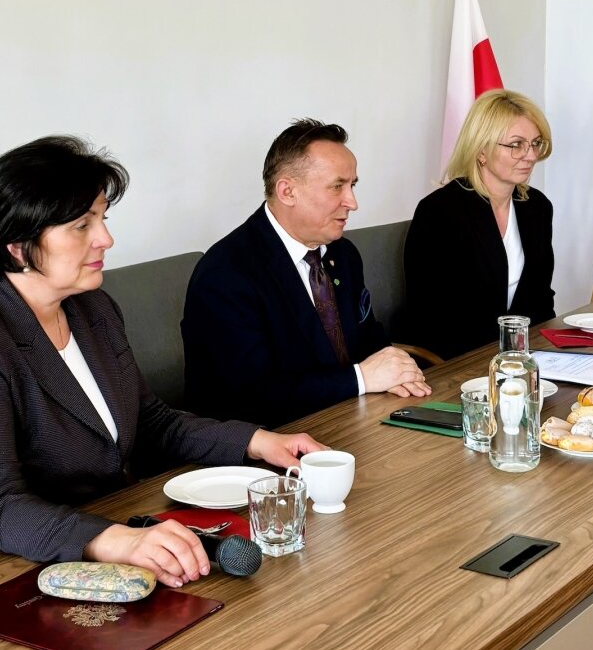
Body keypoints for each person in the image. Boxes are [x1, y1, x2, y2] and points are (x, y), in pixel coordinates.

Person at [0, 135, 324, 589]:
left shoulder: (90, 307)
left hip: (95, 531)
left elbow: (150, 422)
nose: (106, 239)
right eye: (82, 225)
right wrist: (113, 540)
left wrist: (257, 442)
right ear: (17, 245)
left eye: (102, 219)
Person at [182, 119, 430, 428]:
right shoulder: (226, 275)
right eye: (337, 186)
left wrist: (400, 372)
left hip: (351, 420)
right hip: (267, 442)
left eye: (352, 185)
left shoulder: (343, 254)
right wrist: (360, 378)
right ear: (287, 191)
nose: (352, 202)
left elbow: (369, 339)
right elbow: (250, 397)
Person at [404, 90, 555, 360]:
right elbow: (435, 315)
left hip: (523, 357)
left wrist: (549, 354)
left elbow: (541, 299)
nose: (530, 155)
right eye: (516, 145)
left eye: (535, 144)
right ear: (482, 150)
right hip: (455, 360)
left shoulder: (537, 207)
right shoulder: (439, 212)